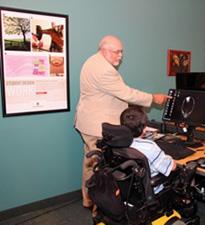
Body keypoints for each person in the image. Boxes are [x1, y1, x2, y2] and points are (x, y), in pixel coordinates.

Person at [74, 35, 170, 208]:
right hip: (98, 126)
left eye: (121, 52)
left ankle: (88, 198)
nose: (120, 56)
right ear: (103, 50)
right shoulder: (104, 70)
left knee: (91, 163)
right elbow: (126, 93)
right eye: (115, 52)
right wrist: (154, 98)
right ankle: (102, 205)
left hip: (87, 122)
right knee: (102, 169)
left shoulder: (92, 61)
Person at [120, 106, 177, 193]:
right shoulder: (149, 147)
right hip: (151, 192)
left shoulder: (117, 142)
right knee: (185, 169)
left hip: (127, 191)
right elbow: (173, 167)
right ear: (144, 129)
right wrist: (167, 156)